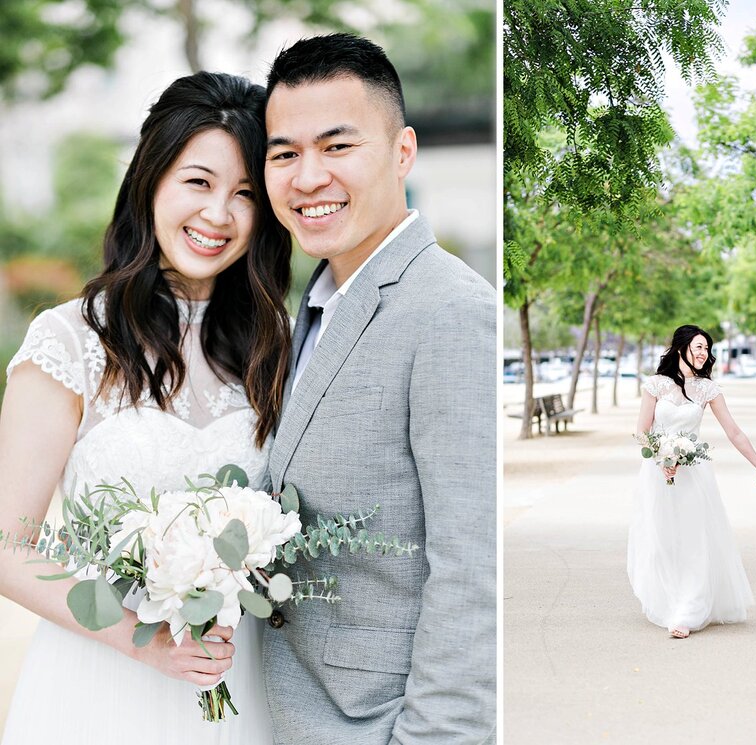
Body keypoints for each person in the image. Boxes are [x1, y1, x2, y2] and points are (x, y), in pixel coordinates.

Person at [0, 71, 291, 743]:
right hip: (99, 682)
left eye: (245, 194)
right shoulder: (69, 339)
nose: (218, 214)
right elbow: (9, 546)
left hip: (237, 681)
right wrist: (146, 641)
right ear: (151, 178)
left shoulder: (274, 348)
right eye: (198, 181)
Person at [260, 34, 496, 743]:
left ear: (402, 152)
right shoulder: (315, 300)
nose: (307, 178)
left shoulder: (452, 311)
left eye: (337, 147)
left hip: (376, 723)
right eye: (284, 154)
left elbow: (471, 572)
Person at [628, 325, 756, 638]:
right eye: (698, 346)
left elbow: (734, 432)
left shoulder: (707, 390)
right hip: (657, 474)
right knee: (662, 539)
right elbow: (641, 431)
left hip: (693, 475)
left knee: (693, 540)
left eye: (706, 348)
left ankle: (688, 609)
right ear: (681, 348)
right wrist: (662, 457)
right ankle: (669, 598)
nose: (703, 353)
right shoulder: (656, 385)